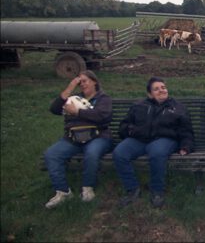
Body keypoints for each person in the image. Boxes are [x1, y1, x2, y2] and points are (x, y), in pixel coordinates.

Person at [113, 77, 194, 208]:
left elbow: (186, 130)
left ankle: (157, 191)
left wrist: (186, 145)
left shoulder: (177, 108)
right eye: (156, 89)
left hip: (164, 139)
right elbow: (124, 125)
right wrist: (130, 131)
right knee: (119, 153)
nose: (161, 90)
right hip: (139, 139)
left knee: (157, 152)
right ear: (150, 94)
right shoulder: (139, 106)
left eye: (163, 87)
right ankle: (132, 189)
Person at [44, 70, 113, 209]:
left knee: (92, 153)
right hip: (73, 138)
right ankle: (63, 192)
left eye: (85, 81)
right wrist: (70, 88)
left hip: (97, 137)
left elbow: (102, 116)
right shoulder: (73, 99)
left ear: (94, 82)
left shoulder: (103, 99)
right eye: (79, 82)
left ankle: (88, 188)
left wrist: (77, 112)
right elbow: (54, 109)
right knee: (51, 154)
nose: (82, 84)